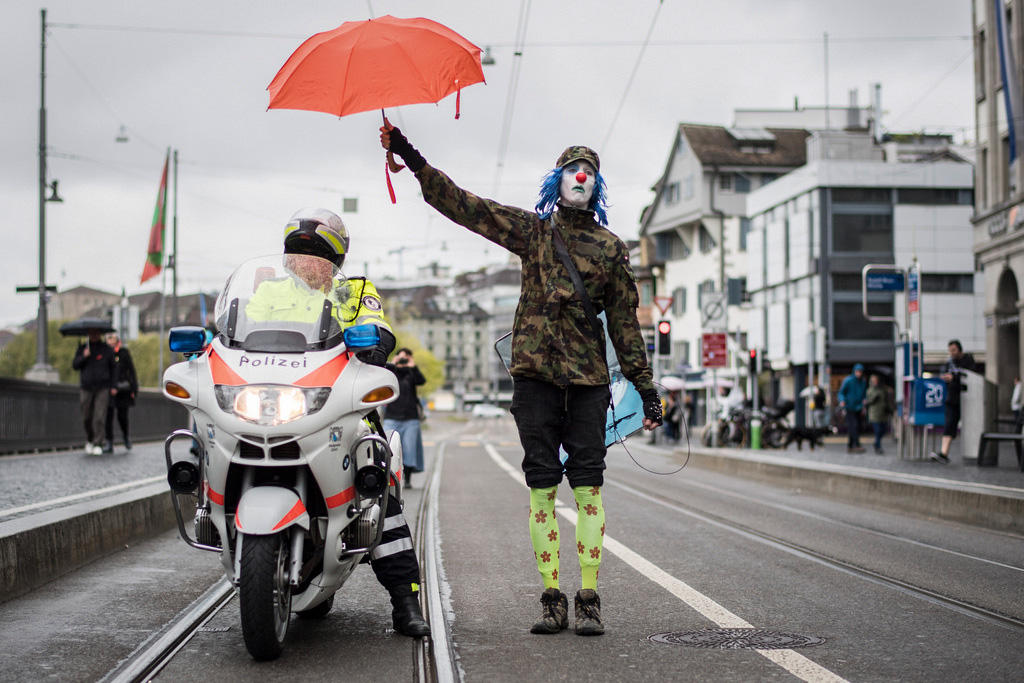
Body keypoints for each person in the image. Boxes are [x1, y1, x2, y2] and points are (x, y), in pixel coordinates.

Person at [381, 123, 662, 637]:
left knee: (588, 489)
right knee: (540, 489)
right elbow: (469, 208)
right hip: (534, 379)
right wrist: (413, 158)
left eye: (591, 172)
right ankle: (552, 597)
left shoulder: (611, 249)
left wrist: (645, 387)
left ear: (597, 186)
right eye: (574, 170)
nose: (582, 176)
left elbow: (624, 324)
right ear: (556, 180)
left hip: (587, 383)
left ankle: (589, 597)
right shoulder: (534, 232)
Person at [251, 208, 429, 638]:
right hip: (274, 405)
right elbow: (238, 333)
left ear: (336, 260)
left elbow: (376, 327)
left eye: (317, 255)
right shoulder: (268, 292)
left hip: (341, 407)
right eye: (298, 253)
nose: (306, 262)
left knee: (377, 485)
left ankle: (405, 601)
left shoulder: (354, 291)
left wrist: (374, 347)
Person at [383, 347, 426, 487]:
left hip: (410, 418)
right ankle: (387, 477)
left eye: (406, 357)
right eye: (401, 357)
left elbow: (421, 381)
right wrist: (394, 362)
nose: (403, 359)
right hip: (391, 417)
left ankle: (407, 479)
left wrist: (412, 366)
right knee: (386, 447)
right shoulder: (391, 371)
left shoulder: (412, 373)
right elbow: (382, 373)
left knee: (409, 449)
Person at [929, 339, 977, 464]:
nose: (952, 353)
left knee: (971, 425)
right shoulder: (949, 363)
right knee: (949, 424)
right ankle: (944, 453)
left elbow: (971, 376)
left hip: (968, 399)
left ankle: (975, 452)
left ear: (960, 349)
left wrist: (954, 377)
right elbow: (944, 374)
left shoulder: (968, 360)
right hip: (952, 398)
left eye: (954, 350)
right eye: (950, 350)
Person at [72, 328, 115, 456]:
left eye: (96, 333)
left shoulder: (106, 349)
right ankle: (90, 439)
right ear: (89, 334)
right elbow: (75, 365)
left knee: (99, 416)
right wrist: (84, 357)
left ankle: (98, 442)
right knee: (86, 416)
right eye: (92, 333)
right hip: (86, 387)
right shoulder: (83, 348)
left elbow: (113, 368)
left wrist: (113, 386)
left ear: (100, 334)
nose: (94, 335)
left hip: (102, 388)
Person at [104, 332, 138, 452]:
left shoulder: (123, 352)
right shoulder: (106, 353)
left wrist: (134, 388)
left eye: (112, 338)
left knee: (122, 416)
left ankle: (125, 436)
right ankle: (109, 441)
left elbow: (131, 370)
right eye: (108, 338)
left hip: (123, 390)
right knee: (108, 416)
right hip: (109, 389)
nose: (110, 340)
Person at [837, 363, 867, 453]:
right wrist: (842, 401)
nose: (859, 373)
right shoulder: (848, 381)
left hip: (858, 407)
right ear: (854, 371)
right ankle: (856, 444)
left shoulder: (863, 382)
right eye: (857, 371)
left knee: (856, 426)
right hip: (849, 406)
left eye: (860, 372)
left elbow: (864, 394)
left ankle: (850, 445)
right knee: (853, 426)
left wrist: (864, 404)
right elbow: (841, 392)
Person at [864, 374, 894, 455]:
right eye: (873, 381)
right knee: (877, 431)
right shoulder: (870, 390)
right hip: (874, 414)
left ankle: (877, 443)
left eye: (876, 380)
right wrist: (874, 398)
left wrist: (890, 409)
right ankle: (878, 446)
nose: (875, 382)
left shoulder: (883, 389)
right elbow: (868, 401)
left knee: (883, 430)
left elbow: (886, 400)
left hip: (883, 413)